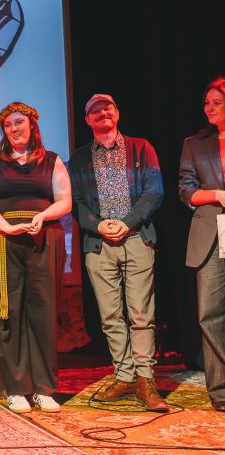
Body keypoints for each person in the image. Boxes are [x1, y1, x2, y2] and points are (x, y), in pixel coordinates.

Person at [69, 94, 167, 412]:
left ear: (117, 113)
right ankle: (125, 376)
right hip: (98, 244)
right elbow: (75, 202)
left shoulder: (141, 148)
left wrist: (128, 223)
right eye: (95, 111)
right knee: (110, 316)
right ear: (87, 120)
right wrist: (98, 226)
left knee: (141, 314)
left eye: (107, 108)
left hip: (137, 238)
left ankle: (145, 380)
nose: (103, 113)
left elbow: (154, 191)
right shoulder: (79, 158)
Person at [0, 102, 71, 414]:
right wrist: (6, 227)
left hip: (43, 237)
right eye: (8, 125)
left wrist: (42, 216)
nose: (14, 129)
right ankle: (17, 388)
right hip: (3, 239)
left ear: (31, 124)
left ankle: (44, 389)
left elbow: (65, 201)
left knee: (44, 310)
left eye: (19, 122)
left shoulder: (52, 160)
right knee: (8, 311)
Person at [179, 77, 225, 412]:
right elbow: (186, 190)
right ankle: (221, 391)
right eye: (206, 103)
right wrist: (216, 194)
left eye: (216, 103)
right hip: (210, 230)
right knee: (210, 314)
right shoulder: (194, 143)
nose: (209, 108)